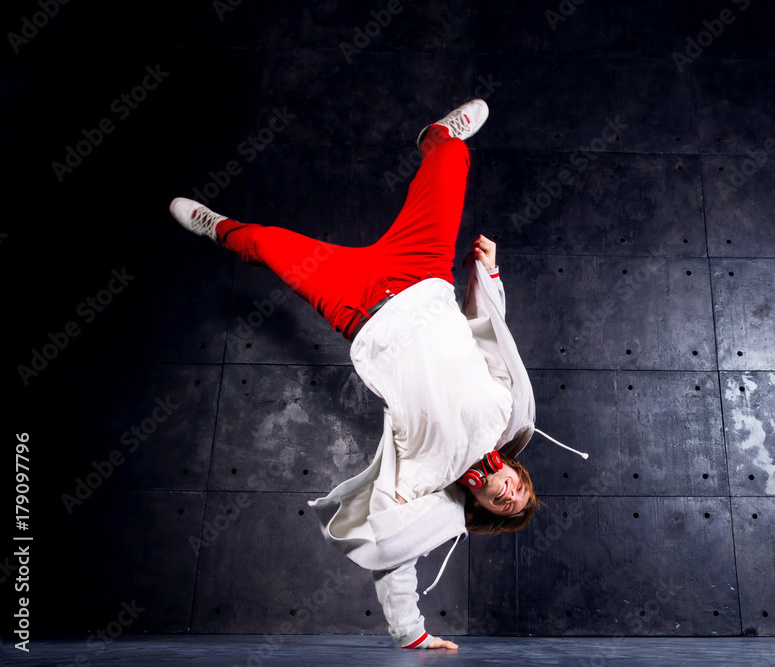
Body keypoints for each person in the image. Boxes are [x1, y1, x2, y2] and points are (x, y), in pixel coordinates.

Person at [169, 99, 588, 650]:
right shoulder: (504, 415)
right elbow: (492, 338)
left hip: (358, 308)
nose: (511, 494)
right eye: (520, 489)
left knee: (268, 244)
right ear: (517, 471)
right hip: (421, 272)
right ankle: (435, 135)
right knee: (453, 158)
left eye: (506, 506)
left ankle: (220, 227)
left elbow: (397, 555)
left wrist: (412, 634)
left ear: (484, 512)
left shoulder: (422, 484)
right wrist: (489, 274)